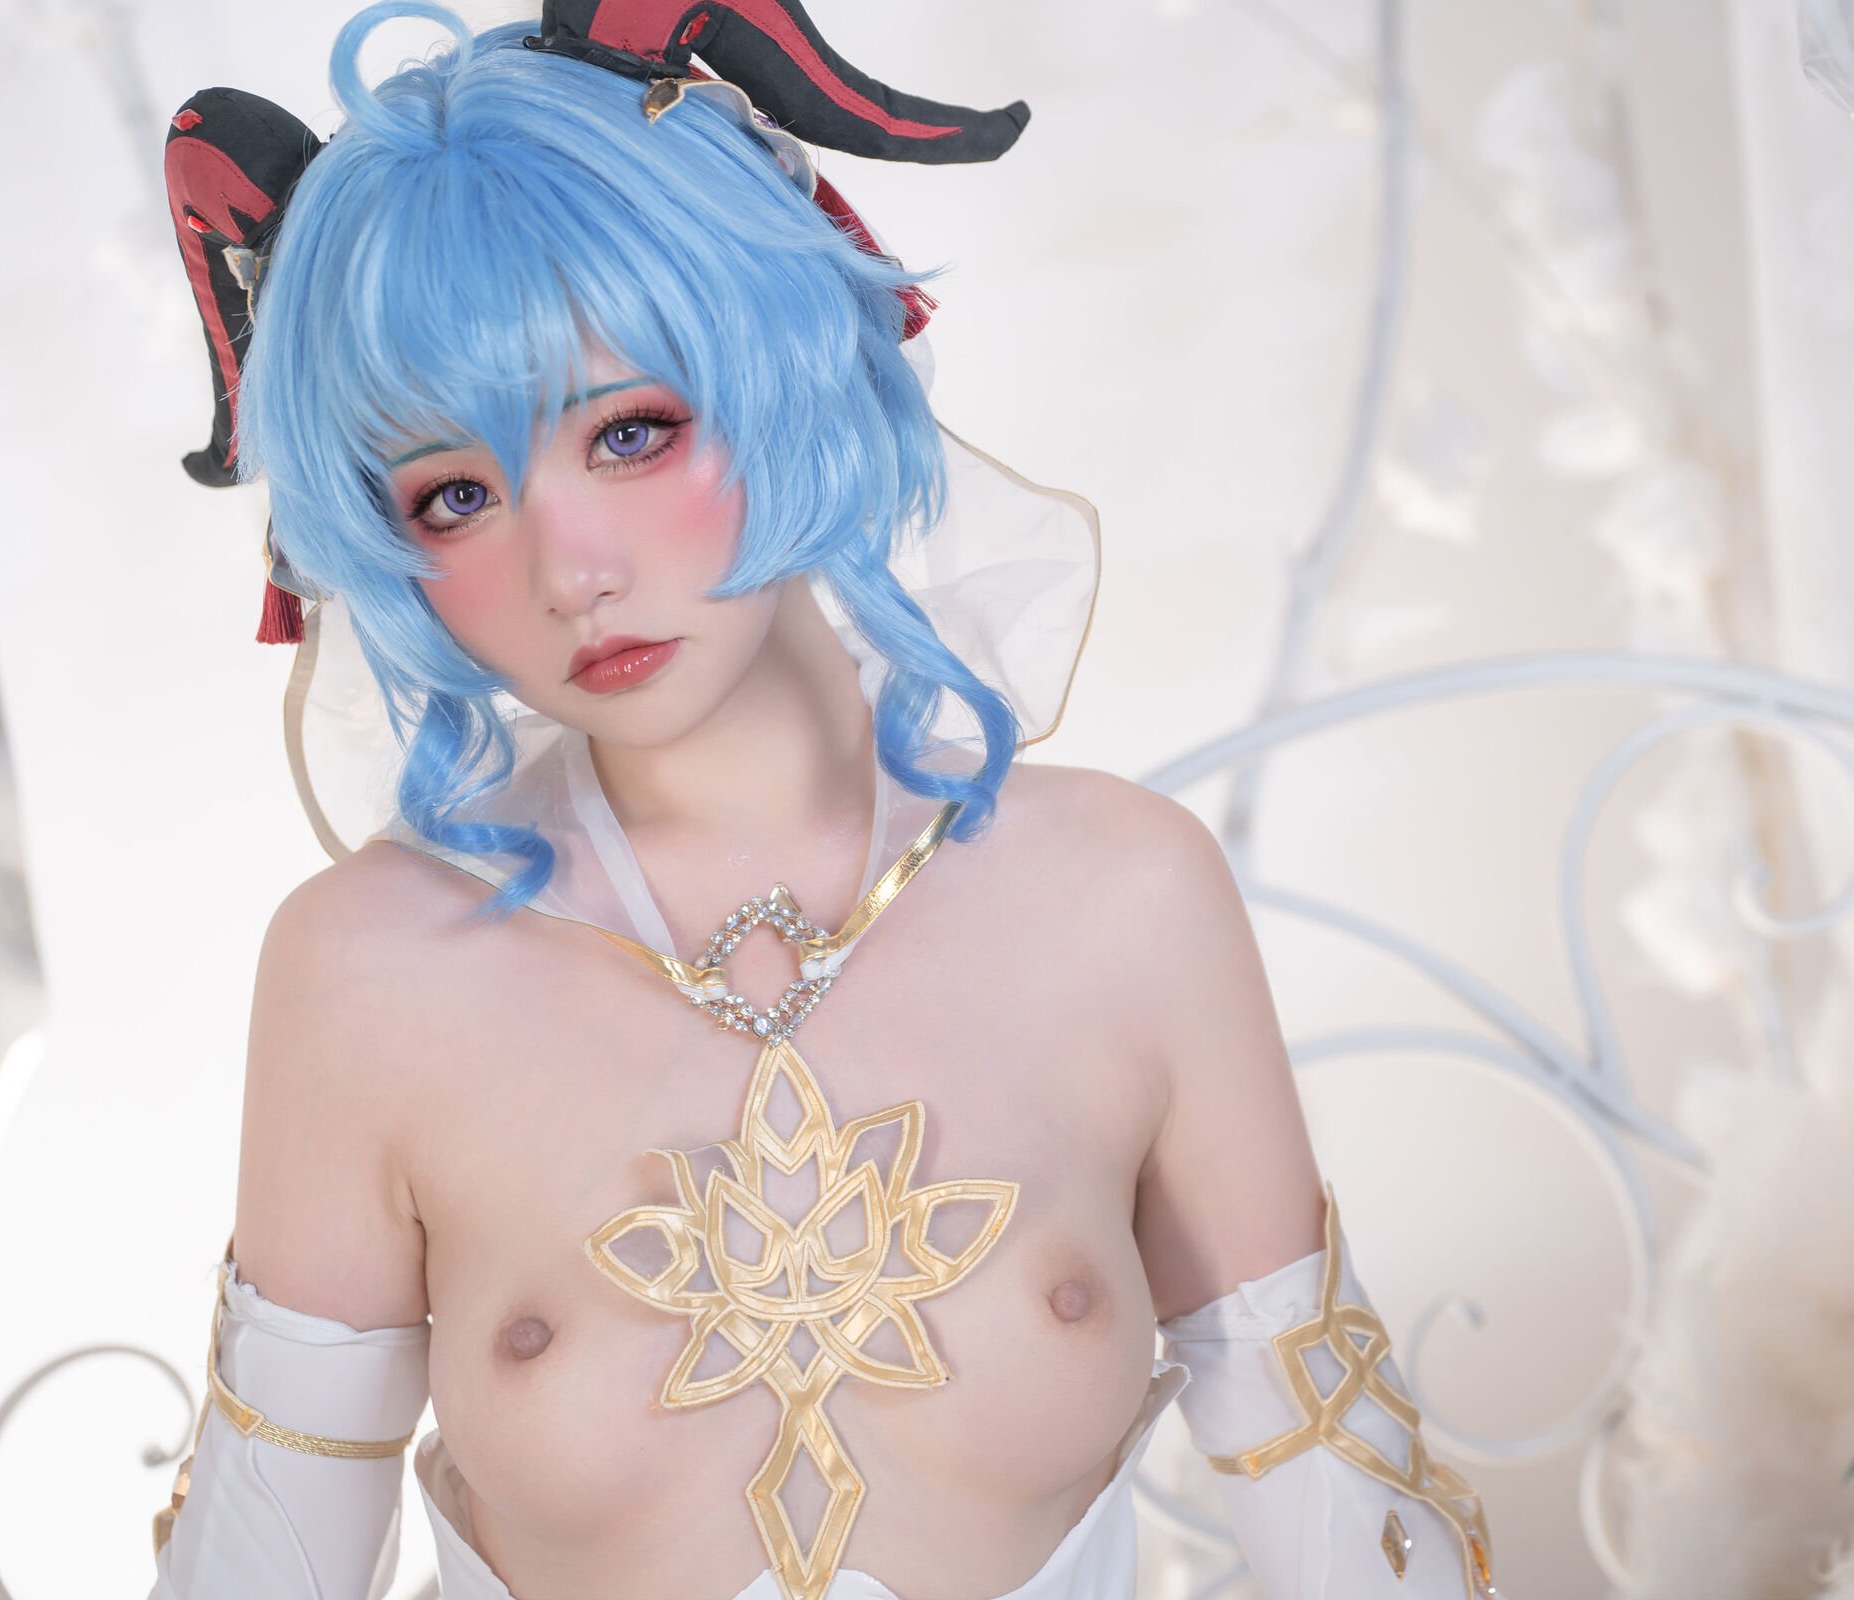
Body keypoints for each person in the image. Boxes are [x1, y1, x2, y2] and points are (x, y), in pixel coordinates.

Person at [148, 3, 1497, 1596]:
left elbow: (1350, 1529)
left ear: (784, 365)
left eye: (630, 432)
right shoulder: (367, 975)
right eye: (455, 495)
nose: (569, 569)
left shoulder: (1128, 900)